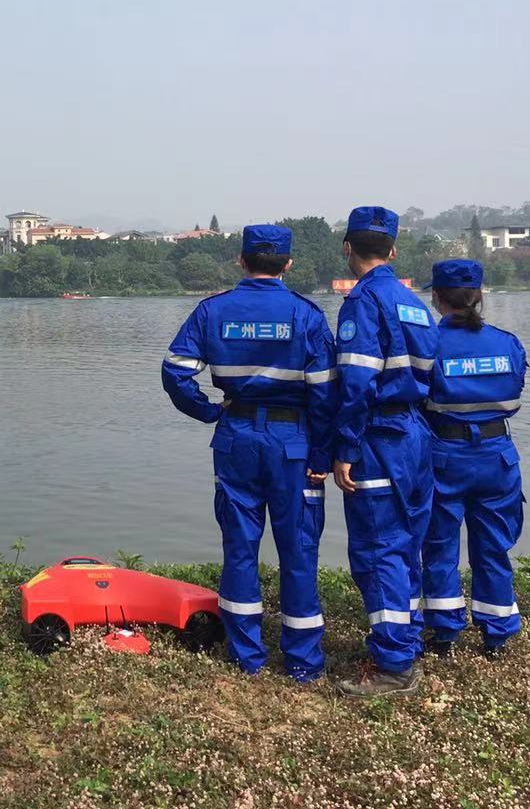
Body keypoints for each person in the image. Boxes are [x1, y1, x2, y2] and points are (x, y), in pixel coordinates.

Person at [161, 224, 337, 682]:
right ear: (288, 264)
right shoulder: (305, 315)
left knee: (239, 546)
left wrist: (208, 410)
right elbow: (324, 394)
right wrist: (323, 455)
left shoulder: (212, 311)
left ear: (241, 261)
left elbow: (175, 372)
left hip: (235, 436)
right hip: (293, 441)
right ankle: (302, 661)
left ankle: (247, 657)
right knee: (299, 549)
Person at [330, 207, 439, 698]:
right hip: (415, 434)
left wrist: (345, 448)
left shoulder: (363, 302)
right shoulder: (414, 303)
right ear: (393, 250)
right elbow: (433, 375)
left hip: (379, 436)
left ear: (347, 248)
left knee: (378, 550)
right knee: (406, 544)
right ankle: (405, 643)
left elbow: (356, 384)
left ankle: (394, 665)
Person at [420, 259, 527, 659]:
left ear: (437, 297)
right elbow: (515, 390)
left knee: (439, 545)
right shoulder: (507, 343)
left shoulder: (428, 344)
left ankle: (444, 633)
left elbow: (415, 398)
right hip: (498, 457)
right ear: (479, 296)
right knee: (494, 546)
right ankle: (496, 634)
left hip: (444, 455)